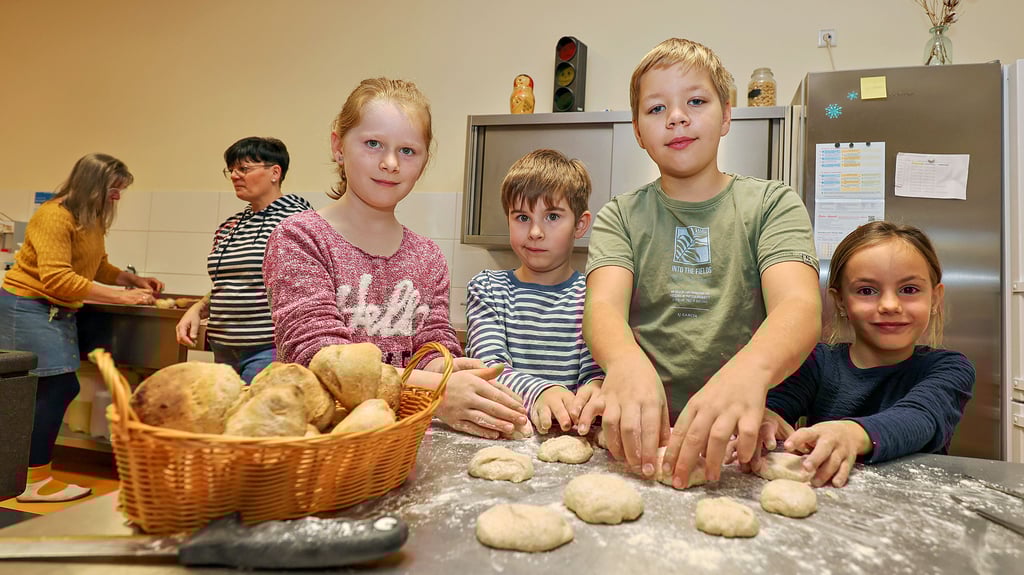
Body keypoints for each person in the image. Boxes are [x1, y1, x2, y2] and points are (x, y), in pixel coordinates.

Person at [583, 38, 821, 488]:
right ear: (637, 130)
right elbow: (602, 309)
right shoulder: (621, 215)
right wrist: (623, 363)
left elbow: (800, 308)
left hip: (739, 440)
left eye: (695, 100)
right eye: (656, 109)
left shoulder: (772, 205)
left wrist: (748, 375)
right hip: (638, 437)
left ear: (727, 114)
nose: (676, 117)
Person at [263, 77, 528, 438]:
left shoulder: (428, 257)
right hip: (324, 442)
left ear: (424, 161)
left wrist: (447, 370)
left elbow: (432, 346)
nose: (390, 163)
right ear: (338, 146)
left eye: (407, 151)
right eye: (373, 144)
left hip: (401, 443)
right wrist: (430, 388)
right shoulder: (300, 238)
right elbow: (317, 356)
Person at [752, 221, 975, 487]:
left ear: (935, 298)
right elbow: (775, 408)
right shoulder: (818, 362)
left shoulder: (949, 368)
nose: (890, 305)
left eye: (909, 290)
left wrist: (850, 434)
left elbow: (921, 417)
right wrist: (765, 419)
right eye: (867, 291)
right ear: (841, 302)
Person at [0, 153, 164, 502]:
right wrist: (122, 297)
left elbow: (96, 264)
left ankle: (31, 477)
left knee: (54, 389)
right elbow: (57, 277)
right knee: (54, 388)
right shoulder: (53, 217)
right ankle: (32, 482)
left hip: (53, 311)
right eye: (114, 190)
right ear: (94, 186)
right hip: (27, 306)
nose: (117, 197)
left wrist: (129, 278)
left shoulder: (88, 219)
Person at [465, 149, 604, 435]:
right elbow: (488, 369)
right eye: (522, 217)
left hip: (574, 438)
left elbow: (595, 371)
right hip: (505, 437)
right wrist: (542, 391)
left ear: (580, 224)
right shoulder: (488, 289)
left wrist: (596, 388)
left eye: (552, 216)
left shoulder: (594, 295)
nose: (536, 232)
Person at [175, 137, 312, 383]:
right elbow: (231, 283)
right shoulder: (229, 226)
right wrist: (198, 308)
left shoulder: (298, 222)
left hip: (269, 349)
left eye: (244, 169)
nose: (235, 176)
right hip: (222, 347)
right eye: (232, 170)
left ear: (275, 172)